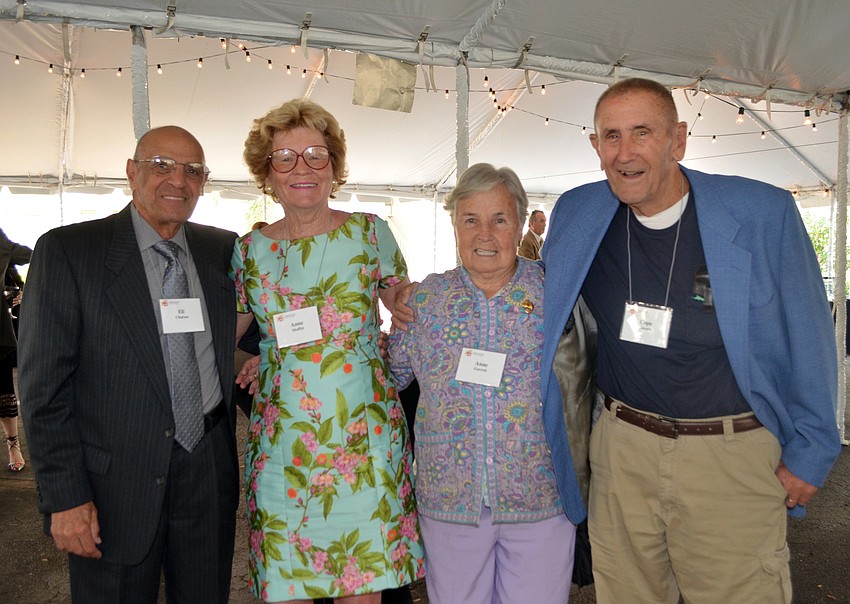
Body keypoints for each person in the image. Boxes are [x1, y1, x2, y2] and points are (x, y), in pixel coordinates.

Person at [540, 78, 841, 603]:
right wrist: (421, 300)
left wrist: (813, 451)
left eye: (642, 133)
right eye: (611, 136)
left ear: (678, 140)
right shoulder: (578, 213)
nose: (625, 153)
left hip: (729, 456)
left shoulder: (761, 214)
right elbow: (534, 301)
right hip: (621, 452)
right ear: (595, 147)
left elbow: (809, 335)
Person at [18, 126, 241, 603]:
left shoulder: (223, 251)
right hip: (112, 482)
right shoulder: (69, 251)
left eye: (192, 171)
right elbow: (43, 391)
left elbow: (273, 323)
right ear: (132, 172)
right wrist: (65, 498)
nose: (177, 181)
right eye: (162, 165)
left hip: (207, 470)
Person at [231, 98, 424, 603]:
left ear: (334, 165)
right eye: (285, 157)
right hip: (281, 448)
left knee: (362, 586)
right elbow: (221, 341)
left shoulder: (369, 233)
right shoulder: (249, 252)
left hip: (363, 444)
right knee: (287, 583)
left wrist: (408, 297)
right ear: (265, 171)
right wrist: (252, 362)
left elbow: (400, 303)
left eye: (317, 153)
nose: (303, 168)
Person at [388, 163, 589, 604]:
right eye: (470, 219)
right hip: (450, 496)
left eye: (499, 219)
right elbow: (393, 375)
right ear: (455, 225)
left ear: (520, 224)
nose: (485, 234)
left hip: (540, 492)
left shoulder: (557, 293)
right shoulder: (426, 299)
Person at [1, 227, 31, 472]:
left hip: (0, 333)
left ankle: (14, 445)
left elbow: (35, 255)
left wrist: (18, 296)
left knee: (4, 390)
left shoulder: (2, 243)